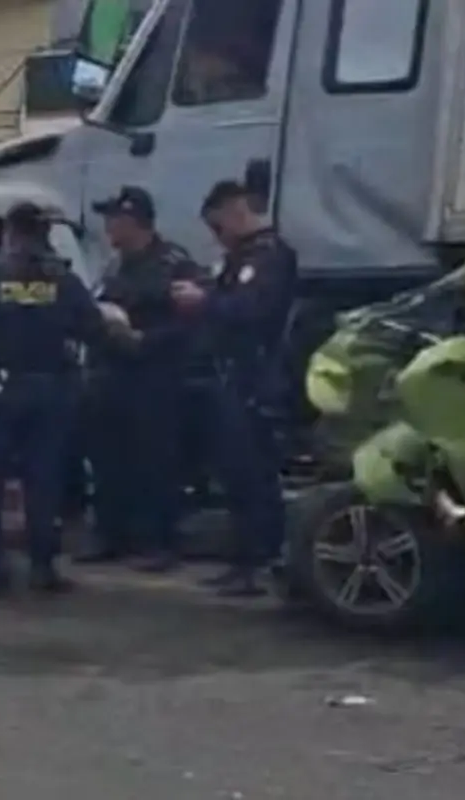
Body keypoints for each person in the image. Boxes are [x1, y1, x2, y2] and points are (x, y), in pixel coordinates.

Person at [0, 201, 138, 595]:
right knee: (44, 479)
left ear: (11, 232)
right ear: (44, 234)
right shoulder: (62, 279)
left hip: (0, 390)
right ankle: (42, 565)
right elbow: (93, 329)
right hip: (52, 390)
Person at [170, 180, 296, 597]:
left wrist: (203, 302)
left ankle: (260, 562)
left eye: (218, 228)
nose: (216, 238)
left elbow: (253, 311)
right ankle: (243, 560)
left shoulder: (269, 257)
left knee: (253, 474)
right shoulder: (238, 258)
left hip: (252, 380)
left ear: (235, 212)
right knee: (234, 475)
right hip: (228, 377)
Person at [81, 186, 206, 572]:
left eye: (113, 220)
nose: (107, 228)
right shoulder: (113, 266)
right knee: (108, 459)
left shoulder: (173, 264)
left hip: (155, 378)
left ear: (133, 221)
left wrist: (144, 341)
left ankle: (160, 542)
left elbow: (191, 325)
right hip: (111, 376)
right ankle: (111, 534)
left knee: (156, 461)